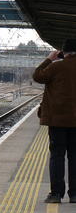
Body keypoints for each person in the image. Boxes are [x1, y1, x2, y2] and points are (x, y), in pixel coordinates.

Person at [33, 38, 76, 203]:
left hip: (57, 120)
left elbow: (37, 75)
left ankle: (56, 194)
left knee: (57, 155)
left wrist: (50, 59)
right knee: (74, 156)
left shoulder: (56, 66)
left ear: (63, 52)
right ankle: (74, 194)